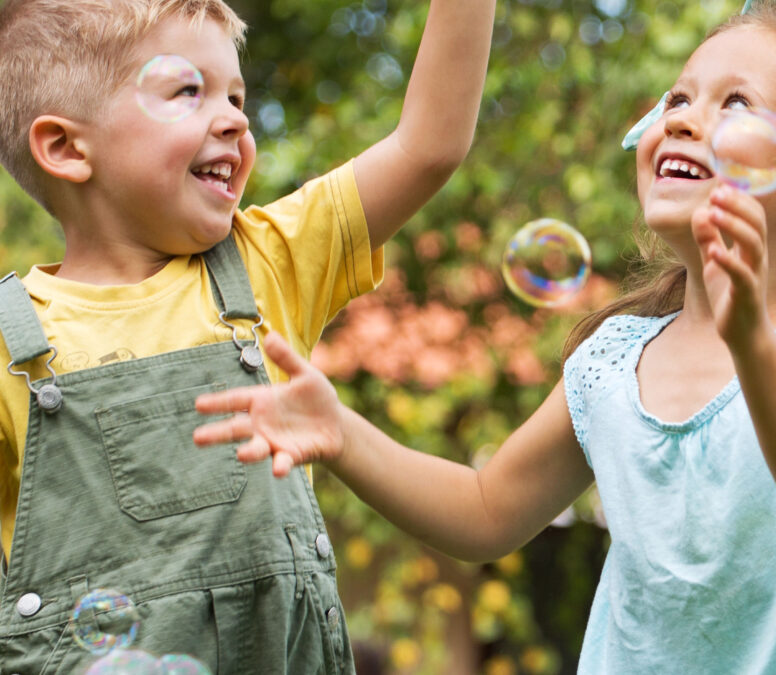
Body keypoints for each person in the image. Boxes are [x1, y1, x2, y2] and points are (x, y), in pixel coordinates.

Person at [194, 1, 776, 671]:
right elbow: (485, 512)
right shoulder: (611, 363)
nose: (685, 117)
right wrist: (342, 434)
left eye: (735, 103)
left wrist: (750, 342)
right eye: (677, 98)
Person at [0, 0, 494, 671]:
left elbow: (429, 144)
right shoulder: (10, 347)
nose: (234, 118)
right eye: (187, 92)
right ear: (65, 147)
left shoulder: (268, 265)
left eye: (236, 94)